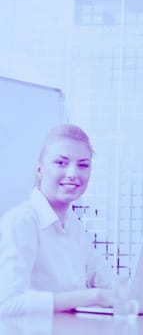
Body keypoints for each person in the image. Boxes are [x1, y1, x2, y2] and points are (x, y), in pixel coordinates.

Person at [0, 124, 114, 316]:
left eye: (83, 165)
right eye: (61, 163)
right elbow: (6, 304)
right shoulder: (21, 221)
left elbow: (109, 283)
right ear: (39, 168)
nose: (73, 174)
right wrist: (94, 296)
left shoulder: (74, 225)